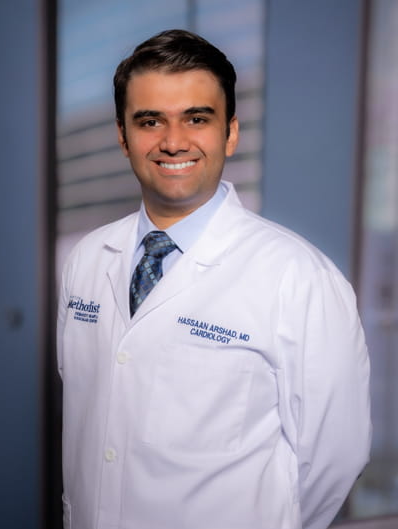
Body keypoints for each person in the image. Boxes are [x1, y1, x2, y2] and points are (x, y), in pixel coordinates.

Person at [57, 29, 371, 529]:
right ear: (122, 135)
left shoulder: (298, 277)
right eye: (150, 121)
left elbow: (335, 459)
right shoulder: (87, 260)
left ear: (230, 133)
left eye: (197, 119)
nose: (173, 141)